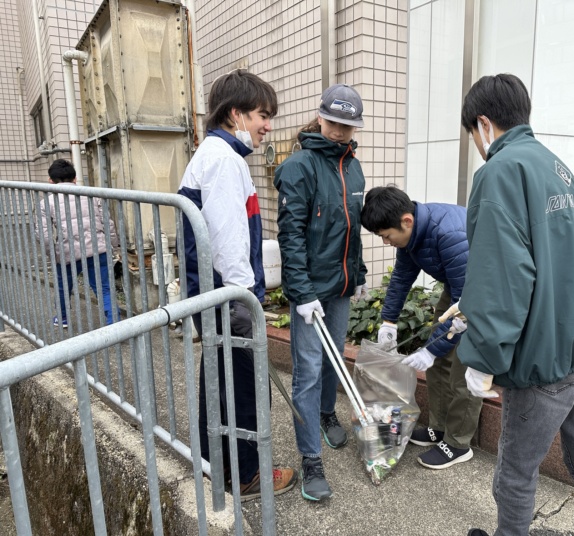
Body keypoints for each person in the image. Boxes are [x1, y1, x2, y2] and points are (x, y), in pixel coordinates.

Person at [444, 74, 574, 536]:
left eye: (473, 135)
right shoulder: (557, 166)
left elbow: (503, 276)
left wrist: (482, 358)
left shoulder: (500, 172)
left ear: (483, 123)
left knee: (515, 471)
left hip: (549, 352)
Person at [178, 69, 296, 501]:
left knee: (219, 382)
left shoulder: (211, 155)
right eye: (263, 115)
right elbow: (229, 242)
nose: (268, 125)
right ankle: (247, 477)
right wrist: (246, 300)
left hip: (211, 298)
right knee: (243, 387)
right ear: (235, 114)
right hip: (228, 299)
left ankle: (216, 468)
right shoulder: (225, 161)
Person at [273, 83, 368, 501]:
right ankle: (310, 457)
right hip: (309, 290)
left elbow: (354, 230)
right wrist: (301, 291)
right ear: (320, 117)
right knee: (308, 372)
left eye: (348, 125)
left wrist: (359, 273)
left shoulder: (354, 167)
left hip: (341, 286)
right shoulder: (299, 167)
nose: (340, 131)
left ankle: (328, 414)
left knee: (334, 359)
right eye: (334, 122)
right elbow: (290, 235)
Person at [361, 185, 482, 470]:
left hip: (481, 296)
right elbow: (402, 277)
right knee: (438, 362)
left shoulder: (450, 234)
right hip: (459, 289)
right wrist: (388, 321)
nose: (385, 242)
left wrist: (432, 349)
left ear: (406, 221)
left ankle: (457, 443)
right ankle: (438, 429)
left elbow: (467, 310)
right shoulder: (411, 237)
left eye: (387, 236)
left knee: (463, 368)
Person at [38, 159, 120, 328]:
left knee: (63, 287)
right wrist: (114, 244)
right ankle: (115, 323)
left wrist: (52, 253)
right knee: (104, 287)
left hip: (67, 252)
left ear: (50, 181)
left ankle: (62, 319)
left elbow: (44, 234)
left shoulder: (47, 202)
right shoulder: (91, 194)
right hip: (98, 249)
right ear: (75, 179)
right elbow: (108, 223)